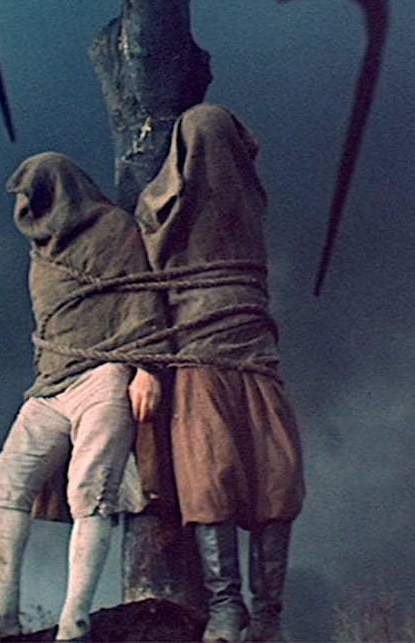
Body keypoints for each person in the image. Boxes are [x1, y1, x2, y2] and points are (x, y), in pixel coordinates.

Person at [0, 152, 169, 642]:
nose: (26, 208)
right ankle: (1, 612)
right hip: (51, 384)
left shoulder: (113, 228)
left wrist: (147, 367)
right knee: (5, 483)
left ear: (58, 191)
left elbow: (142, 297)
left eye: (33, 196)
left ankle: (75, 620)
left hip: (104, 374)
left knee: (91, 490)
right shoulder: (42, 251)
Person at [135, 104, 305, 643]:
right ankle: (226, 607)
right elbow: (147, 294)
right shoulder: (159, 209)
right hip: (199, 363)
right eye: (202, 142)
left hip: (256, 359)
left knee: (278, 481)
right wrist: (147, 366)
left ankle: (269, 616)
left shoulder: (250, 203)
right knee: (209, 480)